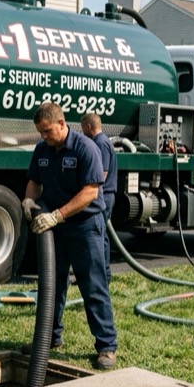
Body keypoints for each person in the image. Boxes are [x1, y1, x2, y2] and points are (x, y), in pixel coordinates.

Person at [22, 103, 118, 370]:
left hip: (84, 226)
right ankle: (49, 339)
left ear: (62, 124)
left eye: (48, 131)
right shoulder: (42, 150)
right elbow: (34, 181)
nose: (44, 136)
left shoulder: (86, 148)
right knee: (52, 286)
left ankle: (106, 346)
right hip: (56, 228)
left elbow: (90, 191)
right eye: (40, 132)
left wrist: (58, 215)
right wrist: (29, 199)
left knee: (93, 285)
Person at [81, 112, 117, 276]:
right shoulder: (103, 141)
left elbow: (100, 174)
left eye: (83, 128)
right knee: (100, 234)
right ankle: (101, 272)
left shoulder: (100, 143)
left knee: (99, 235)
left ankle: (104, 274)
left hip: (104, 194)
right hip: (105, 194)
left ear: (89, 126)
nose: (83, 132)